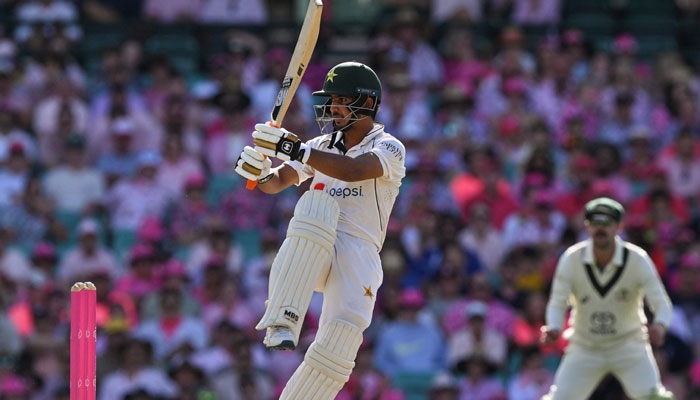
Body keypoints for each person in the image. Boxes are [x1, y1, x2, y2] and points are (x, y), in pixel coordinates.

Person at [234, 61, 406, 400]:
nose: (334, 107)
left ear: (367, 103)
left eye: (343, 99)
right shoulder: (321, 144)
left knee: (339, 343)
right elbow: (279, 181)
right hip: (316, 246)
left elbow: (355, 171)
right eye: (332, 100)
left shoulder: (390, 146)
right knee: (314, 205)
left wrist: (296, 149)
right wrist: (258, 173)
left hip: (359, 253)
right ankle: (284, 317)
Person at [540, 197, 674, 399]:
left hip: (629, 344)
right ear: (587, 225)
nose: (600, 228)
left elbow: (661, 303)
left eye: (607, 222)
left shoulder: (637, 259)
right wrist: (554, 328)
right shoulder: (572, 258)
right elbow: (558, 301)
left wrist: (660, 326)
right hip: (585, 345)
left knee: (653, 397)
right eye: (595, 222)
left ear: (619, 226)